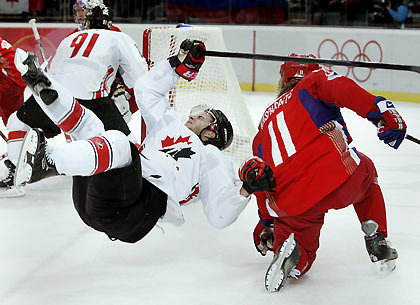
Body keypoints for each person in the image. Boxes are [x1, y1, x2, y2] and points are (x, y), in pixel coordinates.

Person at [13, 37, 273, 243]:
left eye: (204, 116)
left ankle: (47, 161)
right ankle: (46, 88)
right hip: (98, 201)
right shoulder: (169, 123)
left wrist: (245, 190)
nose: (195, 113)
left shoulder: (211, 157)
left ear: (212, 133)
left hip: (138, 208)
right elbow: (146, 90)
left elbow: (219, 215)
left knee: (118, 143)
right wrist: (179, 66)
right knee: (93, 127)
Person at [244, 53, 406, 292]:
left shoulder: (262, 129)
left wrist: (266, 222)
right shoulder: (313, 82)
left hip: (290, 203)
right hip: (336, 177)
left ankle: (294, 258)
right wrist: (381, 112)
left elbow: (261, 179)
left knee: (305, 256)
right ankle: (377, 238)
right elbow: (342, 88)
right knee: (368, 174)